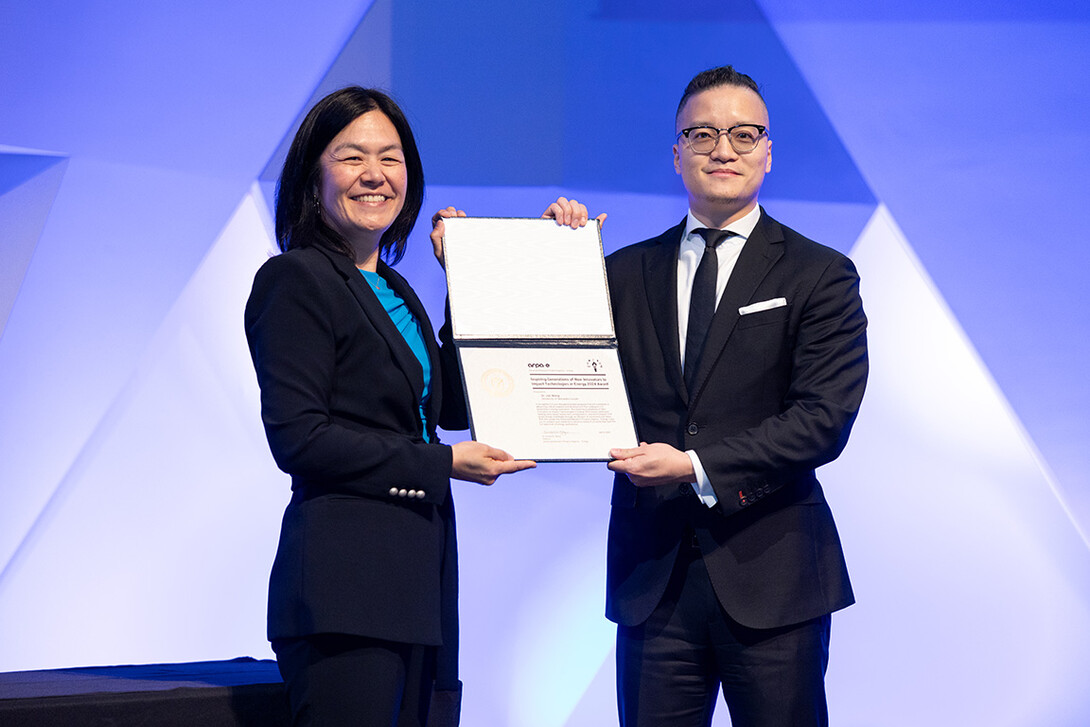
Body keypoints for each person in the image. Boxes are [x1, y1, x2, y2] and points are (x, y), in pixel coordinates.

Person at [244, 86, 592, 726]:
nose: (374, 175)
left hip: (419, 584)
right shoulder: (295, 279)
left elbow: (457, 406)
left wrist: (475, 277)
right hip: (344, 591)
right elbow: (300, 439)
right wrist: (440, 464)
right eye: (351, 158)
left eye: (391, 157)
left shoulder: (394, 286)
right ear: (312, 176)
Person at [603, 66, 869, 726]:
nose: (724, 149)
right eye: (703, 133)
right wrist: (547, 260)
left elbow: (822, 419)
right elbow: (554, 372)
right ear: (677, 153)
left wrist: (696, 466)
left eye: (744, 134)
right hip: (653, 578)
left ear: (769, 152)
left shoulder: (819, 273)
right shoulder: (620, 270)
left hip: (773, 576)